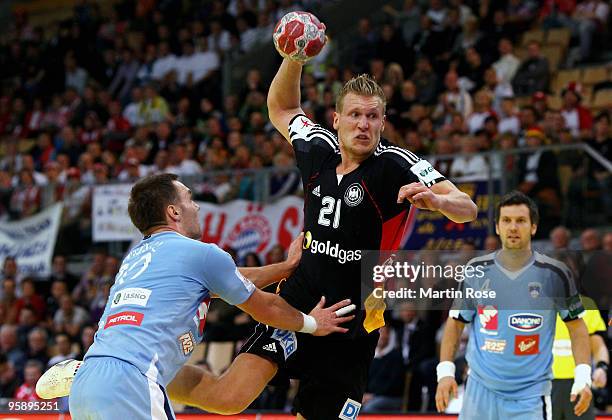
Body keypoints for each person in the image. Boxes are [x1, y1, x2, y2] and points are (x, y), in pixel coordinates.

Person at [41, 13, 477, 418]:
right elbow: (282, 109)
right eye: (356, 115)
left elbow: (467, 208)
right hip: (297, 300)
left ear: (383, 122)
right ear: (338, 118)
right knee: (230, 398)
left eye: (374, 117)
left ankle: (116, 371)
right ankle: (118, 371)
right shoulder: (319, 147)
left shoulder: (397, 164)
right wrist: (292, 60)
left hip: (352, 320)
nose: (364, 125)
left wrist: (437, 201)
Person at [37, 173, 354, 419]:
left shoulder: (136, 258)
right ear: (173, 211)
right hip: (131, 382)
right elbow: (267, 306)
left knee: (225, 398)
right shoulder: (199, 254)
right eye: (189, 199)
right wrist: (313, 323)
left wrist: (284, 268)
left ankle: (77, 369)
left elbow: (228, 279)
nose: (197, 205)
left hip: (92, 382)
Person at [435, 191, 592, 419]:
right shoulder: (476, 270)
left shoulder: (555, 274)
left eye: (520, 221)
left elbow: (577, 328)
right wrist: (445, 372)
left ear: (534, 227)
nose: (513, 227)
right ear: (497, 228)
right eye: (506, 221)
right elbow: (456, 323)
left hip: (530, 397)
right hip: (479, 391)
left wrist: (583, 377)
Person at [552, 294, 608, 420]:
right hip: (542, 382)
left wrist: (601, 367)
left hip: (579, 383)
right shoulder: (534, 304)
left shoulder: (586, 304)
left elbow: (598, 344)